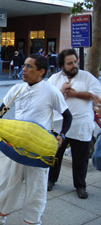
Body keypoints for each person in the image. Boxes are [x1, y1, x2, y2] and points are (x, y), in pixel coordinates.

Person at [0, 54, 72, 225]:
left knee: (36, 189)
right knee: (6, 183)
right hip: (16, 145)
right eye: (24, 66)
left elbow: (67, 116)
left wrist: (61, 135)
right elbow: (2, 109)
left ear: (41, 71)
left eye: (29, 66)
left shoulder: (50, 91)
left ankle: (32, 222)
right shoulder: (17, 89)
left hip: (37, 149)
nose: (24, 69)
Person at [48, 48, 101, 199]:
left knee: (80, 159)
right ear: (62, 66)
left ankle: (80, 186)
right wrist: (61, 91)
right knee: (55, 156)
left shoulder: (87, 77)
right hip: (60, 127)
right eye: (69, 63)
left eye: (75, 62)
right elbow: (49, 99)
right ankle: (51, 180)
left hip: (81, 126)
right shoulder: (54, 79)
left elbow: (96, 96)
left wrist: (74, 93)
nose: (74, 65)